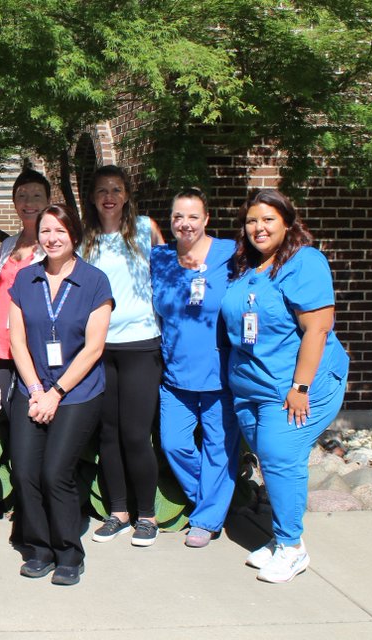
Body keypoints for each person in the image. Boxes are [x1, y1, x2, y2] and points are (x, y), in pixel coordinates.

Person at [220, 189, 348, 583]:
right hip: (251, 387)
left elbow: (318, 328)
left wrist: (301, 387)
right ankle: (281, 539)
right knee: (270, 458)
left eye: (268, 219)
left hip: (293, 388)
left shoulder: (304, 262)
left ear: (287, 222)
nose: (259, 227)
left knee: (280, 457)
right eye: (252, 220)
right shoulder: (249, 267)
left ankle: (292, 548)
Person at [7, 204, 114, 586]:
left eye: (60, 231)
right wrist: (36, 389)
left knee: (55, 472)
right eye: (46, 231)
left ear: (75, 235)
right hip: (31, 388)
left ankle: (69, 552)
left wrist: (55, 392)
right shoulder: (24, 280)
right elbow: (16, 340)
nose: (52, 238)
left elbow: (93, 348)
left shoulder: (95, 281)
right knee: (23, 470)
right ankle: (38, 548)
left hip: (76, 392)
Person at [81, 165, 167, 547]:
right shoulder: (85, 238)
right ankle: (118, 512)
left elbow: (168, 279)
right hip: (99, 348)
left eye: (116, 189)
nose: (109, 196)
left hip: (140, 343)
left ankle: (147, 515)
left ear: (127, 194)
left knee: (136, 433)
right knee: (109, 435)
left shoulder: (146, 229)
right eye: (102, 190)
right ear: (93, 197)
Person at [150, 188, 239, 549]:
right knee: (173, 443)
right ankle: (213, 497)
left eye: (192, 216)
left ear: (206, 219)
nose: (184, 223)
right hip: (174, 376)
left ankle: (206, 519)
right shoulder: (160, 258)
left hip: (219, 375)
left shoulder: (230, 254)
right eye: (177, 216)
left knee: (219, 447)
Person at [0, 169, 48, 412]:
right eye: (22, 196)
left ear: (48, 201)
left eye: (37, 196)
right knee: (3, 407)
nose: (29, 203)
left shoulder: (53, 245)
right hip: (2, 345)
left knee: (30, 409)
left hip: (33, 345)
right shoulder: (7, 244)